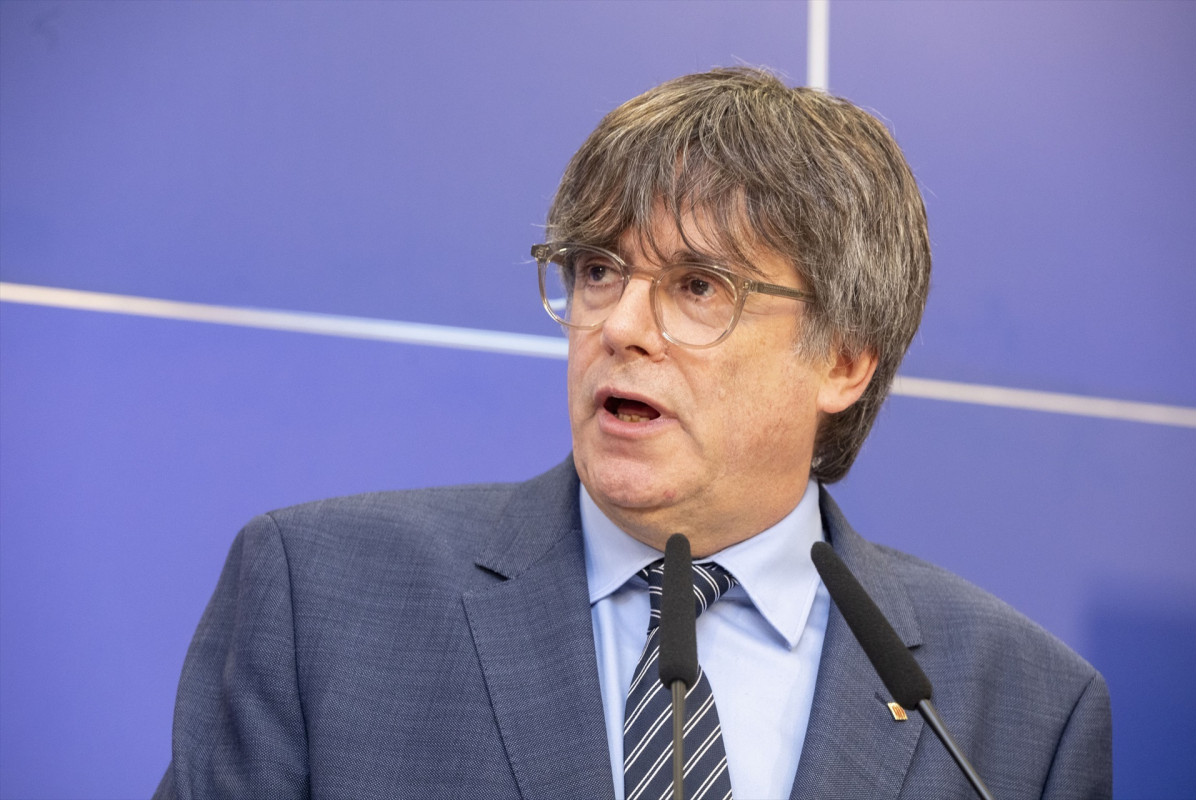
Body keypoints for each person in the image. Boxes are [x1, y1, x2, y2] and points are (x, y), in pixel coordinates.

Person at [154, 67, 1111, 799]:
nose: (618, 325)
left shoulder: (1019, 712)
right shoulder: (325, 600)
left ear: (844, 359)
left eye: (698, 286)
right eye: (599, 270)